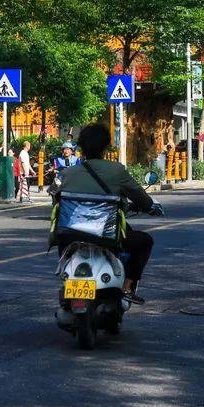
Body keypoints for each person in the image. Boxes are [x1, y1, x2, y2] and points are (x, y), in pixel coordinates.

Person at [57, 122, 162, 304]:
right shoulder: (116, 171)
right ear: (106, 147)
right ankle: (127, 287)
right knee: (145, 241)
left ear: (80, 147)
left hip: (69, 236)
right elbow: (141, 198)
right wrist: (150, 207)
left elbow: (56, 202)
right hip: (106, 236)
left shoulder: (68, 174)